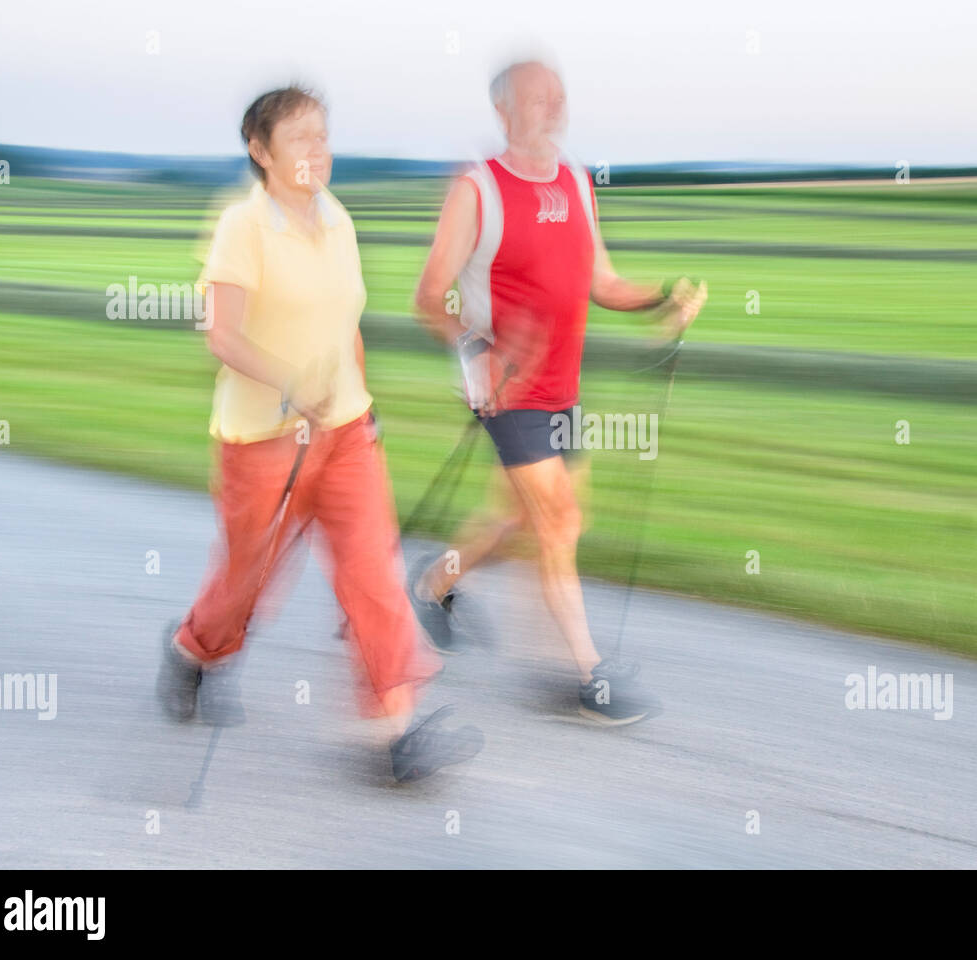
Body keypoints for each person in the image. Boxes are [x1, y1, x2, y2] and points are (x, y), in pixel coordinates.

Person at [156, 85, 482, 783]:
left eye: (323, 135)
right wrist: (288, 382)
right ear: (260, 150)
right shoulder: (243, 225)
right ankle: (193, 650)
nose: (317, 150)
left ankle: (393, 732)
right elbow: (222, 332)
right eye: (300, 137)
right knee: (249, 579)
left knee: (372, 573)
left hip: (345, 433)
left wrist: (362, 403)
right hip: (262, 441)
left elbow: (343, 323)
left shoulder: (337, 218)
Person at [411, 60, 707, 725]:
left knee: (519, 519)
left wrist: (662, 298)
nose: (554, 105)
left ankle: (435, 583)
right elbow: (429, 297)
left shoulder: (576, 181)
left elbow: (601, 280)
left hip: (562, 389)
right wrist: (476, 357)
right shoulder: (478, 190)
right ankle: (590, 676)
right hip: (507, 390)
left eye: (558, 95)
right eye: (537, 97)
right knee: (559, 521)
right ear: (505, 111)